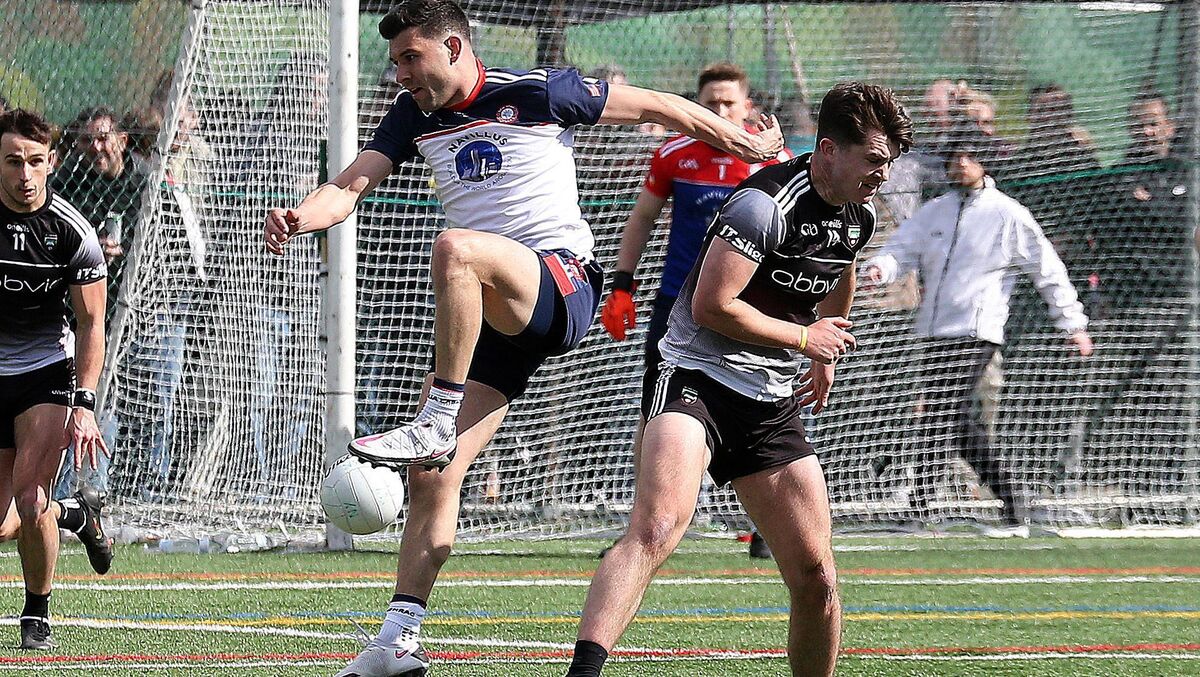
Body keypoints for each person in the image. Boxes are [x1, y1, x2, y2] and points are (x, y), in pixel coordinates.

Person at [263, 2, 783, 675]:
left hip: (563, 287)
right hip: (492, 310)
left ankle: (436, 417)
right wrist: (302, 215)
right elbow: (351, 185)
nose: (399, 75)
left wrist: (746, 144)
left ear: (452, 46)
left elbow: (661, 105)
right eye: (393, 62)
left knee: (456, 249)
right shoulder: (412, 114)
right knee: (433, 477)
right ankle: (398, 640)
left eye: (409, 59)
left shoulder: (535, 91)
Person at [564, 82, 912, 677]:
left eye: (889, 163)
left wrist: (826, 348)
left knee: (817, 576)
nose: (882, 175)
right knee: (656, 527)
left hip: (771, 398)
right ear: (828, 150)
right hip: (696, 374)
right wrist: (805, 339)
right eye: (875, 160)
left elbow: (841, 273)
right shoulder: (764, 206)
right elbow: (712, 306)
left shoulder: (859, 213)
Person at [600, 61, 790, 559]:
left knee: (767, 408)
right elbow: (642, 218)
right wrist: (621, 284)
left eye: (729, 102)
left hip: (754, 308)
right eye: (710, 103)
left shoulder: (776, 162)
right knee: (657, 411)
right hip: (677, 307)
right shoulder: (674, 153)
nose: (720, 111)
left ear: (747, 106)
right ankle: (643, 528)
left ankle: (767, 527)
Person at [864, 123, 1092, 536]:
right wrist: (879, 269)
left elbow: (1047, 270)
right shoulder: (935, 211)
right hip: (934, 332)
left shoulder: (1008, 214)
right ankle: (972, 502)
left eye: (970, 156)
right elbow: (901, 249)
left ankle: (957, 502)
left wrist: (1072, 323)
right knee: (946, 418)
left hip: (978, 330)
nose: (961, 164)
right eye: (955, 157)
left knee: (943, 414)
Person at [0, 109, 114, 650]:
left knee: (28, 497)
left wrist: (84, 404)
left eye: (36, 161)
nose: (25, 174)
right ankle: (75, 512)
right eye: (13, 161)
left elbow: (93, 324)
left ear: (53, 163)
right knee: (3, 525)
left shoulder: (73, 233)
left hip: (44, 372)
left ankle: (37, 610)